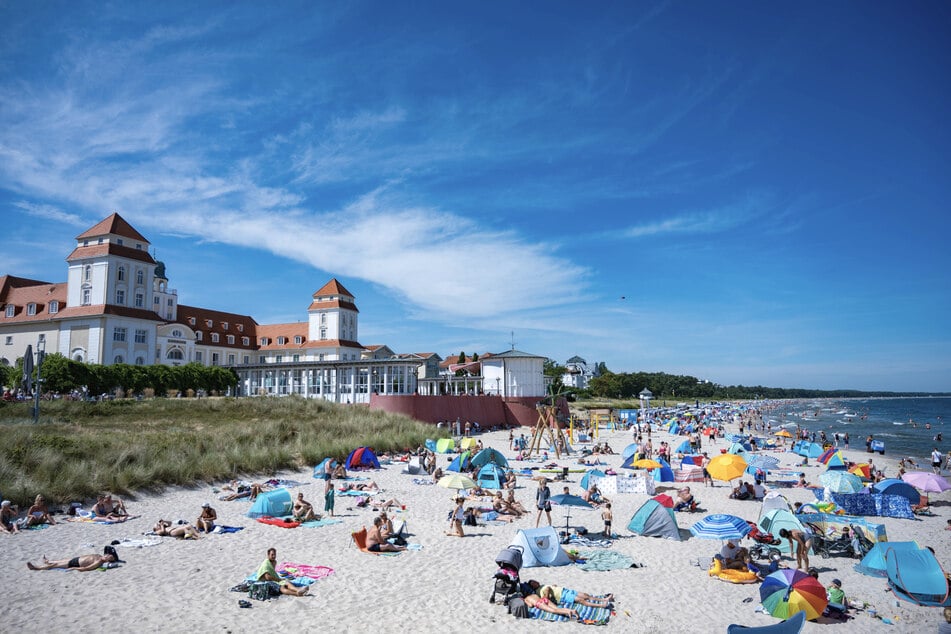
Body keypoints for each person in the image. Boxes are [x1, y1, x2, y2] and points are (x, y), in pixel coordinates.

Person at [527, 580, 614, 608]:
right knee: (581, 600)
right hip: (562, 596)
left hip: (565, 590)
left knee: (585, 595)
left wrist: (552, 586)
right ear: (533, 586)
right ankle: (601, 605)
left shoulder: (542, 585)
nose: (535, 582)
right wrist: (548, 590)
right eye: (533, 583)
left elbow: (549, 588)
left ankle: (604, 599)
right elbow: (546, 597)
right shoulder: (538, 591)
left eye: (534, 581)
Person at [28, 550, 117, 571]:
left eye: (109, 557)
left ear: (107, 561)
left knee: (54, 566)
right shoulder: (99, 556)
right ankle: (48, 561)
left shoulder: (99, 562)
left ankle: (36, 568)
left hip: (75, 563)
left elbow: (86, 568)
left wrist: (74, 568)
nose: (107, 555)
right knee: (59, 561)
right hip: (76, 559)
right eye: (108, 555)